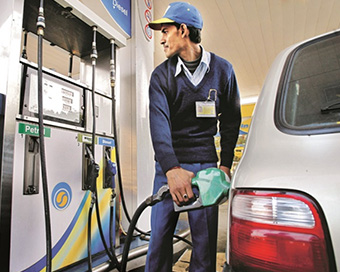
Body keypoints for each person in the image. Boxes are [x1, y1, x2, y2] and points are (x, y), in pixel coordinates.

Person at [145, 2, 241, 271]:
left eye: (165, 31)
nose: (161, 38)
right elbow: (159, 124)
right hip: (169, 168)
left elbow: (231, 121)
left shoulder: (223, 71)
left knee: (204, 245)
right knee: (159, 241)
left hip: (206, 166)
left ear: (183, 30)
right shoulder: (161, 77)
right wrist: (171, 169)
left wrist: (224, 166)